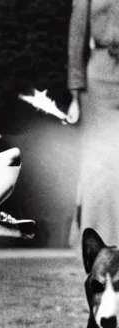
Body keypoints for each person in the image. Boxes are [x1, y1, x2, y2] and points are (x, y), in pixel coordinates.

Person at [67, 0, 119, 246]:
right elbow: (77, 36)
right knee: (101, 167)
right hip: (100, 77)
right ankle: (100, 249)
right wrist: (75, 96)